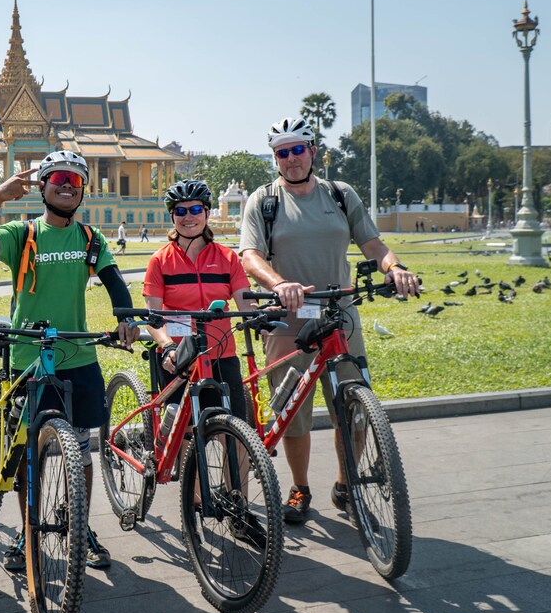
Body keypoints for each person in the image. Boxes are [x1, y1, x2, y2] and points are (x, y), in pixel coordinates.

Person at [238, 118, 419, 525]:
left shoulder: (339, 194)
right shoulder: (263, 201)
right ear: (275, 159)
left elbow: (372, 242)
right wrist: (279, 282)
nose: (291, 159)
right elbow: (250, 256)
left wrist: (394, 267)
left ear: (313, 151)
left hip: (340, 315)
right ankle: (300, 487)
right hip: (289, 319)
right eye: (281, 153)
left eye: (298, 149)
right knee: (292, 412)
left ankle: (347, 484)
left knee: (353, 407)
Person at [0, 150, 136, 571]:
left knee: (80, 452)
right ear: (42, 186)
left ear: (82, 192)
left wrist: (126, 319)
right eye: (58, 177)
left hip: (78, 355)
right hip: (30, 356)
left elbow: (115, 283)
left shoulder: (91, 240)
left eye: (75, 181)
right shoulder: (23, 234)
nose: (66, 185)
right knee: (31, 453)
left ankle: (79, 527)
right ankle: (29, 529)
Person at [143, 179, 253, 424]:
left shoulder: (227, 257)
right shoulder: (160, 260)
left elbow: (246, 304)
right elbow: (152, 316)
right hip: (179, 357)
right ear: (172, 216)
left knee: (237, 431)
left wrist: (263, 314)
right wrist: (168, 346)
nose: (188, 217)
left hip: (222, 354)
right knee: (181, 436)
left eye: (195, 210)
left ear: (206, 213)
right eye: (180, 211)